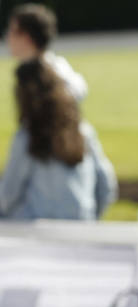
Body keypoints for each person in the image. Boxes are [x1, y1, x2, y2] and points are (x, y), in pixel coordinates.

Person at [0, 59, 116, 220]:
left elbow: (8, 195)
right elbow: (106, 185)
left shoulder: (27, 136)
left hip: (36, 231)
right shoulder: (82, 130)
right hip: (81, 225)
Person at [6, 3, 87, 102]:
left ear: (27, 37)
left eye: (13, 31)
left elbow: (79, 89)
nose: (8, 37)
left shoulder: (53, 70)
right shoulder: (27, 71)